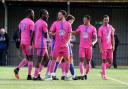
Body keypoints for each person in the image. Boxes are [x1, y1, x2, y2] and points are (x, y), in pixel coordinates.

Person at [49, 10, 77, 80]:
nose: (58, 16)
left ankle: (66, 75)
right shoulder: (55, 23)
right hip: (57, 45)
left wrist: (66, 42)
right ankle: (52, 75)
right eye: (58, 15)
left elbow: (69, 35)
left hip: (65, 46)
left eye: (60, 15)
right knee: (54, 59)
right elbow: (50, 32)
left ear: (63, 15)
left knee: (67, 60)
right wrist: (53, 34)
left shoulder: (68, 24)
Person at [73, 15, 97, 80]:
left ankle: (85, 74)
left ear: (88, 20)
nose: (84, 21)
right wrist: (69, 31)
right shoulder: (80, 27)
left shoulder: (93, 28)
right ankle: (82, 74)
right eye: (83, 20)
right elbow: (75, 32)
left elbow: (95, 38)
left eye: (85, 20)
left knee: (88, 62)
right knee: (81, 60)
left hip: (89, 48)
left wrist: (93, 43)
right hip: (82, 47)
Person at [14, 9, 35, 80]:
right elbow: (32, 34)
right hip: (28, 42)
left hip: (22, 42)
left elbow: (19, 32)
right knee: (31, 58)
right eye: (32, 13)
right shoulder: (31, 22)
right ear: (30, 14)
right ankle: (29, 75)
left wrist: (20, 42)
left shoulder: (22, 21)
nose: (33, 15)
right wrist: (31, 44)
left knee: (27, 58)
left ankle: (17, 69)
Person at [32, 9, 49, 80]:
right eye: (46, 14)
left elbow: (33, 33)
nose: (47, 15)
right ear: (42, 15)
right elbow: (45, 35)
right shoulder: (44, 23)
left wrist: (32, 42)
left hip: (38, 43)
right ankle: (35, 76)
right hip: (42, 44)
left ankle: (37, 74)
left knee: (46, 59)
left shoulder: (36, 22)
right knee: (39, 60)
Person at [98, 15, 115, 80]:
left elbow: (112, 37)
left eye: (107, 20)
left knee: (110, 63)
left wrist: (113, 46)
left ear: (108, 20)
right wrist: (100, 48)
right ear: (103, 20)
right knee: (104, 61)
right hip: (104, 47)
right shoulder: (101, 28)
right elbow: (99, 39)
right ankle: (104, 75)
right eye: (105, 20)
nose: (106, 21)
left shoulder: (111, 27)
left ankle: (102, 71)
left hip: (110, 47)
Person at [60, 15, 76, 80]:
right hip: (66, 45)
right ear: (68, 20)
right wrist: (68, 42)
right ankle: (73, 75)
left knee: (63, 60)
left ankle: (63, 74)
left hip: (61, 44)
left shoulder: (63, 25)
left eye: (73, 21)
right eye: (72, 21)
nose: (72, 22)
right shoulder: (68, 25)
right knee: (69, 60)